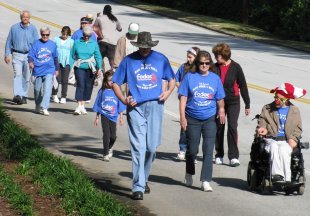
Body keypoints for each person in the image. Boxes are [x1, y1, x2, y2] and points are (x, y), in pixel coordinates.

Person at [112, 31, 175, 200]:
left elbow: (172, 79)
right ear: (138, 45)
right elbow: (115, 83)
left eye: (147, 47)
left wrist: (167, 93)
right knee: (138, 148)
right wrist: (124, 100)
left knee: (151, 148)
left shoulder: (160, 59)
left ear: (151, 46)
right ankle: (138, 186)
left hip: (155, 105)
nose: (144, 50)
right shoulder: (129, 60)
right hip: (136, 108)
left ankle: (144, 178)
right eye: (142, 47)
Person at [179, 50, 225, 192]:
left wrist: (221, 110)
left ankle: (205, 180)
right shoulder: (189, 77)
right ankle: (189, 172)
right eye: (201, 63)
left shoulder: (215, 78)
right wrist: (182, 117)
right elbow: (183, 98)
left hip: (210, 119)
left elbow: (220, 98)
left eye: (207, 63)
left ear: (210, 64)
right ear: (197, 63)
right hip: (192, 118)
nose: (204, 66)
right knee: (192, 150)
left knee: (208, 149)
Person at [256, 83, 306, 182]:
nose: (277, 100)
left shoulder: (295, 111)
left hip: (286, 140)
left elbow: (298, 128)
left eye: (280, 99)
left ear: (286, 99)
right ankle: (277, 176)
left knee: (284, 150)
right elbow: (262, 121)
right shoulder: (267, 108)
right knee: (274, 147)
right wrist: (263, 128)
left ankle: (287, 179)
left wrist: (294, 138)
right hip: (271, 138)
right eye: (275, 97)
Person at [212, 43, 250, 167]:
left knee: (232, 127)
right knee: (219, 127)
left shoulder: (236, 67)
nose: (216, 58)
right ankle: (219, 155)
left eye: (218, 56)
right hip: (219, 101)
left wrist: (247, 104)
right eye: (216, 55)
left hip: (233, 101)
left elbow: (243, 85)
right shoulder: (214, 67)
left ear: (225, 55)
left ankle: (233, 156)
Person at [4, 10, 39, 105]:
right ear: (21, 17)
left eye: (27, 17)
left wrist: (36, 57)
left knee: (26, 77)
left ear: (29, 18)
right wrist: (7, 54)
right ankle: (17, 95)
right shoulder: (14, 28)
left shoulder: (33, 29)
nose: (25, 18)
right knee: (17, 74)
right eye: (24, 17)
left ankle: (24, 95)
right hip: (16, 54)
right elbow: (8, 42)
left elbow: (36, 44)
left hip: (29, 55)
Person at [93, 70, 125, 162]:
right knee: (106, 134)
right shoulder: (102, 91)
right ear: (106, 82)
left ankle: (110, 147)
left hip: (114, 116)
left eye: (113, 81)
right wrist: (97, 117)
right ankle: (105, 153)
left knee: (113, 136)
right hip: (104, 115)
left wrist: (121, 117)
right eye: (110, 81)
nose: (112, 83)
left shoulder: (117, 91)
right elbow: (98, 104)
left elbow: (120, 105)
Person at [70, 26, 102, 115]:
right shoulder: (77, 42)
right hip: (80, 66)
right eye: (85, 35)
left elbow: (98, 56)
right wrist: (70, 66)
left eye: (88, 35)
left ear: (91, 35)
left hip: (91, 68)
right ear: (82, 34)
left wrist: (99, 68)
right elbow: (72, 55)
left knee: (88, 86)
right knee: (81, 84)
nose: (86, 37)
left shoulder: (94, 43)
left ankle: (83, 106)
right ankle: (78, 106)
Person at [175, 47, 200, 161]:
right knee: (184, 125)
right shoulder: (183, 67)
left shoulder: (199, 70)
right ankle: (182, 149)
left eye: (190, 57)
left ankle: (192, 152)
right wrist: (182, 88)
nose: (188, 59)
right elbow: (176, 80)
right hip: (185, 101)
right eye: (187, 56)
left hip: (196, 102)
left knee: (196, 128)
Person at [28, 26, 59, 116]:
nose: (45, 36)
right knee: (37, 90)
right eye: (43, 35)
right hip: (37, 70)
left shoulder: (52, 44)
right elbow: (30, 55)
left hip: (49, 70)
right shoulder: (36, 44)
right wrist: (30, 62)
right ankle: (38, 104)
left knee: (47, 89)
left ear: (49, 35)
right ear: (41, 34)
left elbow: (56, 58)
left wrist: (56, 69)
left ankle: (44, 107)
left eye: (47, 35)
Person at [114, 22, 140, 97]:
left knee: (134, 87)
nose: (133, 35)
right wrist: (116, 67)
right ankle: (123, 104)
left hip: (136, 67)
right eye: (132, 33)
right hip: (125, 66)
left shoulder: (140, 39)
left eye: (135, 33)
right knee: (122, 88)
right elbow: (118, 54)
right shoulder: (122, 39)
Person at [93, 5, 122, 70]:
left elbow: (94, 27)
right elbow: (120, 29)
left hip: (102, 41)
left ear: (103, 11)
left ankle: (100, 73)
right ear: (111, 11)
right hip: (112, 43)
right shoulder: (115, 19)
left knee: (99, 59)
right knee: (112, 62)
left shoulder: (99, 18)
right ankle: (113, 74)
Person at [51, 26, 74, 104]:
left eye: (66, 35)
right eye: (63, 34)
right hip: (57, 62)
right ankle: (54, 94)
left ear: (68, 35)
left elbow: (73, 53)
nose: (64, 36)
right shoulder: (56, 39)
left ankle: (63, 96)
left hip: (66, 63)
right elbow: (52, 50)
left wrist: (71, 62)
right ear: (61, 33)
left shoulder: (71, 42)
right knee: (56, 79)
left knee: (64, 81)